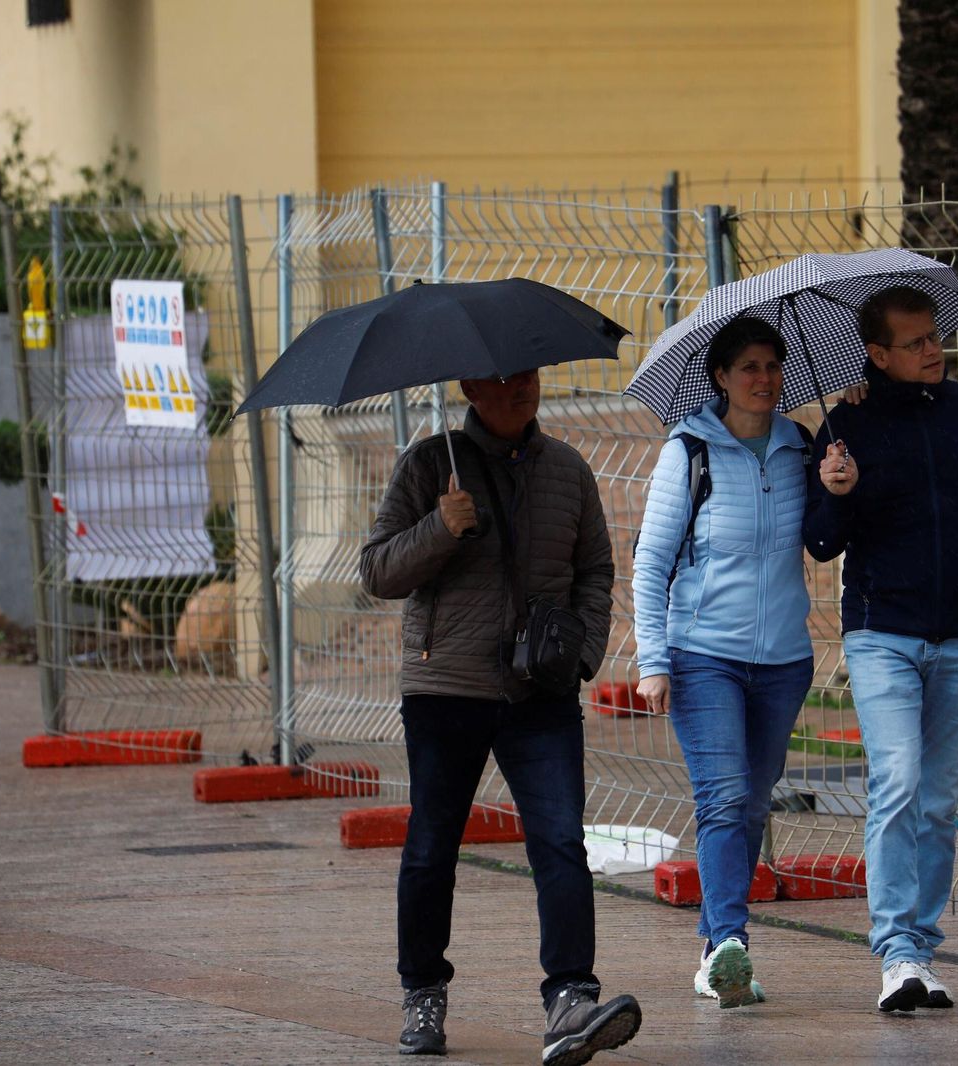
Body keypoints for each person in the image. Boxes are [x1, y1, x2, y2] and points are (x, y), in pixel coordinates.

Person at [359, 368, 642, 1064]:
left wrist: (579, 654)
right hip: (444, 688)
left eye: (528, 377)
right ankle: (423, 993)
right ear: (469, 387)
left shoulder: (568, 470)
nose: (518, 389)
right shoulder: (430, 464)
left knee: (559, 842)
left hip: (538, 692)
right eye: (500, 379)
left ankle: (571, 996)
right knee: (432, 849)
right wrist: (439, 528)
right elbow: (377, 572)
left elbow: (596, 570)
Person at [803, 285, 958, 1013]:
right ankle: (896, 955)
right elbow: (822, 542)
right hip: (882, 632)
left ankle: (922, 946)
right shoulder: (846, 424)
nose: (933, 350)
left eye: (934, 337)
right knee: (899, 781)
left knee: (940, 800)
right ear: (877, 354)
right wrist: (838, 490)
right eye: (914, 343)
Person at [632, 317, 839, 1009]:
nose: (765, 379)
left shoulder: (800, 447)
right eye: (749, 367)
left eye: (773, 366)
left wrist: (840, 479)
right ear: (720, 377)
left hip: (783, 660)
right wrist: (652, 660)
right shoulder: (688, 451)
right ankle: (730, 946)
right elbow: (651, 562)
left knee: (749, 803)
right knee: (722, 797)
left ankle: (714, 947)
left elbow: (823, 544)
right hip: (703, 656)